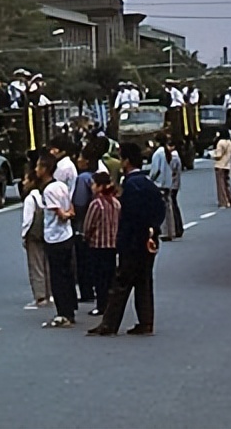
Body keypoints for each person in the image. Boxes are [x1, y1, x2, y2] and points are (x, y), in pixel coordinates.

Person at [88, 142, 166, 336]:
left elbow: (129, 218)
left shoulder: (131, 186)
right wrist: (152, 230)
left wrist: (124, 241)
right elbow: (160, 210)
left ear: (127, 161)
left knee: (121, 284)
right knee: (144, 283)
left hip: (132, 243)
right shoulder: (148, 183)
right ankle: (146, 322)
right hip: (149, 240)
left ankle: (109, 324)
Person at [35, 152, 78, 328]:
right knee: (67, 275)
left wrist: (66, 215)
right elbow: (70, 207)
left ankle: (63, 313)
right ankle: (70, 310)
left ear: (45, 169)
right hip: (67, 236)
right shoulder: (61, 186)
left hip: (55, 238)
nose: (36, 169)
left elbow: (61, 214)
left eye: (38, 166)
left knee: (57, 277)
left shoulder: (49, 190)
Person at [83, 172, 121, 318]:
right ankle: (110, 305)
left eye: (94, 184)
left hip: (98, 245)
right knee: (110, 277)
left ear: (99, 186)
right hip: (112, 245)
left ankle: (101, 305)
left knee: (99, 278)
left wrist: (86, 237)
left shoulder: (96, 204)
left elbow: (88, 225)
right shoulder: (116, 203)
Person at [20, 169, 51, 309]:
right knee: (47, 264)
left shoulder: (30, 199)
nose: (23, 182)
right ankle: (49, 293)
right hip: (47, 233)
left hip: (34, 234)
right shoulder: (43, 195)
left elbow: (27, 220)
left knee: (36, 265)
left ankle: (40, 296)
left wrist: (24, 236)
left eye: (26, 179)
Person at [72, 149, 97, 304]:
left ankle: (86, 291)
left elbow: (80, 203)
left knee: (83, 261)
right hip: (95, 225)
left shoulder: (82, 178)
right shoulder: (95, 175)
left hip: (83, 225)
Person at [147, 132, 176, 240]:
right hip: (168, 183)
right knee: (169, 208)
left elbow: (155, 170)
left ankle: (164, 232)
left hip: (159, 183)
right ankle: (171, 231)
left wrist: (150, 179)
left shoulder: (158, 154)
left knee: (161, 209)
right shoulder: (167, 152)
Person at [213, 128, 231, 208]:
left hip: (220, 165)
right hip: (227, 165)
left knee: (221, 185)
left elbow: (219, 155)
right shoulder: (230, 143)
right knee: (227, 184)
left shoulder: (220, 143)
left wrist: (213, 155)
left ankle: (223, 202)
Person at [167, 140, 185, 237]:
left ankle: (177, 228)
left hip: (173, 185)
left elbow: (171, 171)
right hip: (175, 184)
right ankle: (178, 228)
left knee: (173, 207)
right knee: (174, 205)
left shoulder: (173, 158)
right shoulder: (175, 157)